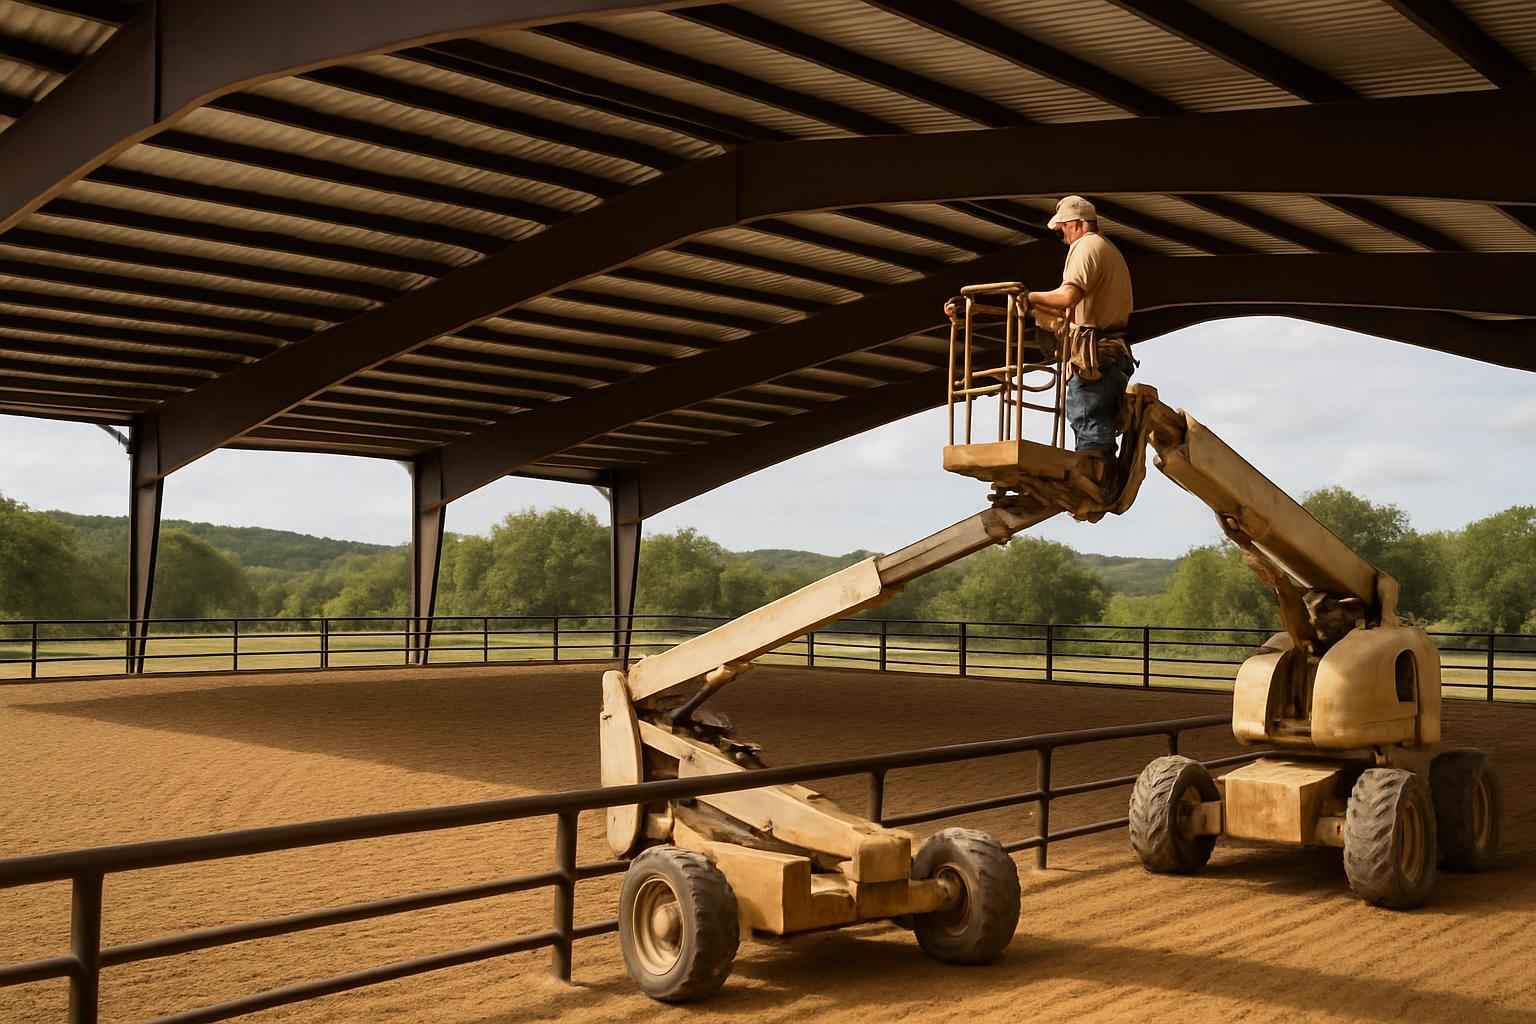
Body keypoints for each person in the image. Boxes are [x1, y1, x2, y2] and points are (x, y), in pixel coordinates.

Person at [1026, 195, 1136, 493]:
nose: (1061, 235)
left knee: (1088, 421)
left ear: (1075, 223)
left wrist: (1027, 297)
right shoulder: (1108, 249)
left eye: (1062, 228)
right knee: (1091, 420)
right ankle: (1098, 480)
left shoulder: (1086, 247)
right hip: (1111, 354)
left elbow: (1066, 298)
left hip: (1096, 356)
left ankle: (1097, 484)